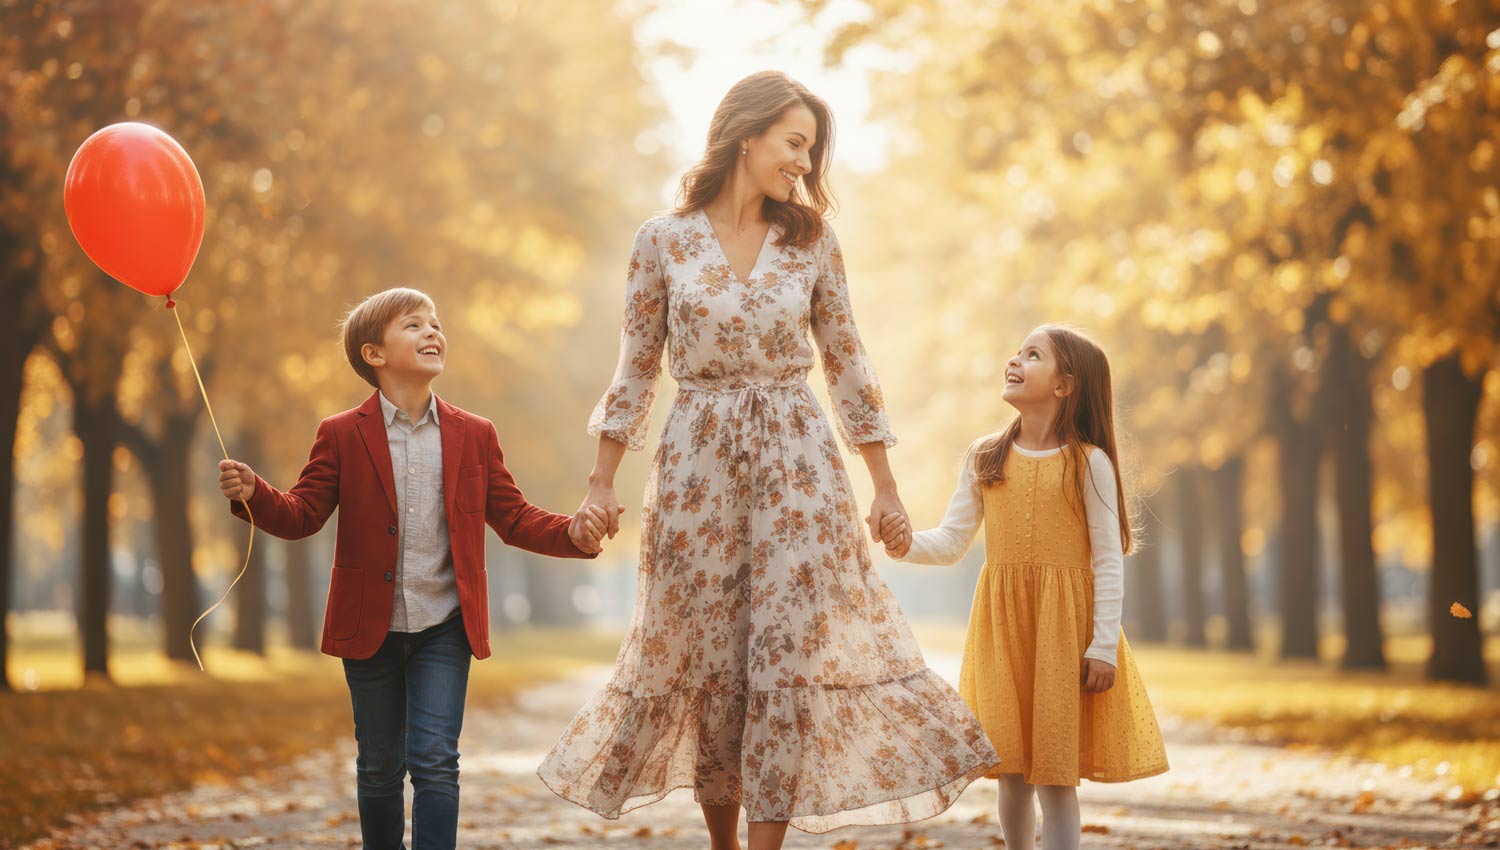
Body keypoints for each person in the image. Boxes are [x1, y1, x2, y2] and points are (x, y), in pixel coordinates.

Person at [537, 71, 997, 850]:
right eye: (794, 143)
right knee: (712, 656)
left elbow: (849, 360)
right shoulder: (662, 240)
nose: (804, 164)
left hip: (797, 466)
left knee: (785, 656)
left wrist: (884, 486)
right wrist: (601, 481)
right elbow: (637, 367)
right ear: (746, 136)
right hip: (695, 468)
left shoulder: (812, 240)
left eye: (812, 150)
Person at [216, 286, 606, 850]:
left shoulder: (475, 434)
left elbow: (515, 518)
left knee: (436, 761)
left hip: (445, 627)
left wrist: (573, 532)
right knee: (378, 767)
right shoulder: (341, 434)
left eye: (435, 324)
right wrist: (255, 492)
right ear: (374, 354)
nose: (432, 333)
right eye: (413, 325)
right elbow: (303, 515)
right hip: (368, 629)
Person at [883, 324, 1169, 850]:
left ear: (1065, 386)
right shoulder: (986, 456)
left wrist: (1102, 645)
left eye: (1032, 355)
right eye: (1017, 352)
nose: (1014, 361)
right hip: (1002, 631)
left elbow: (1108, 561)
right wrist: (905, 545)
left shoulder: (1090, 463)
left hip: (1064, 635)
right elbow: (950, 541)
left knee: (1056, 777)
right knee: (1009, 769)